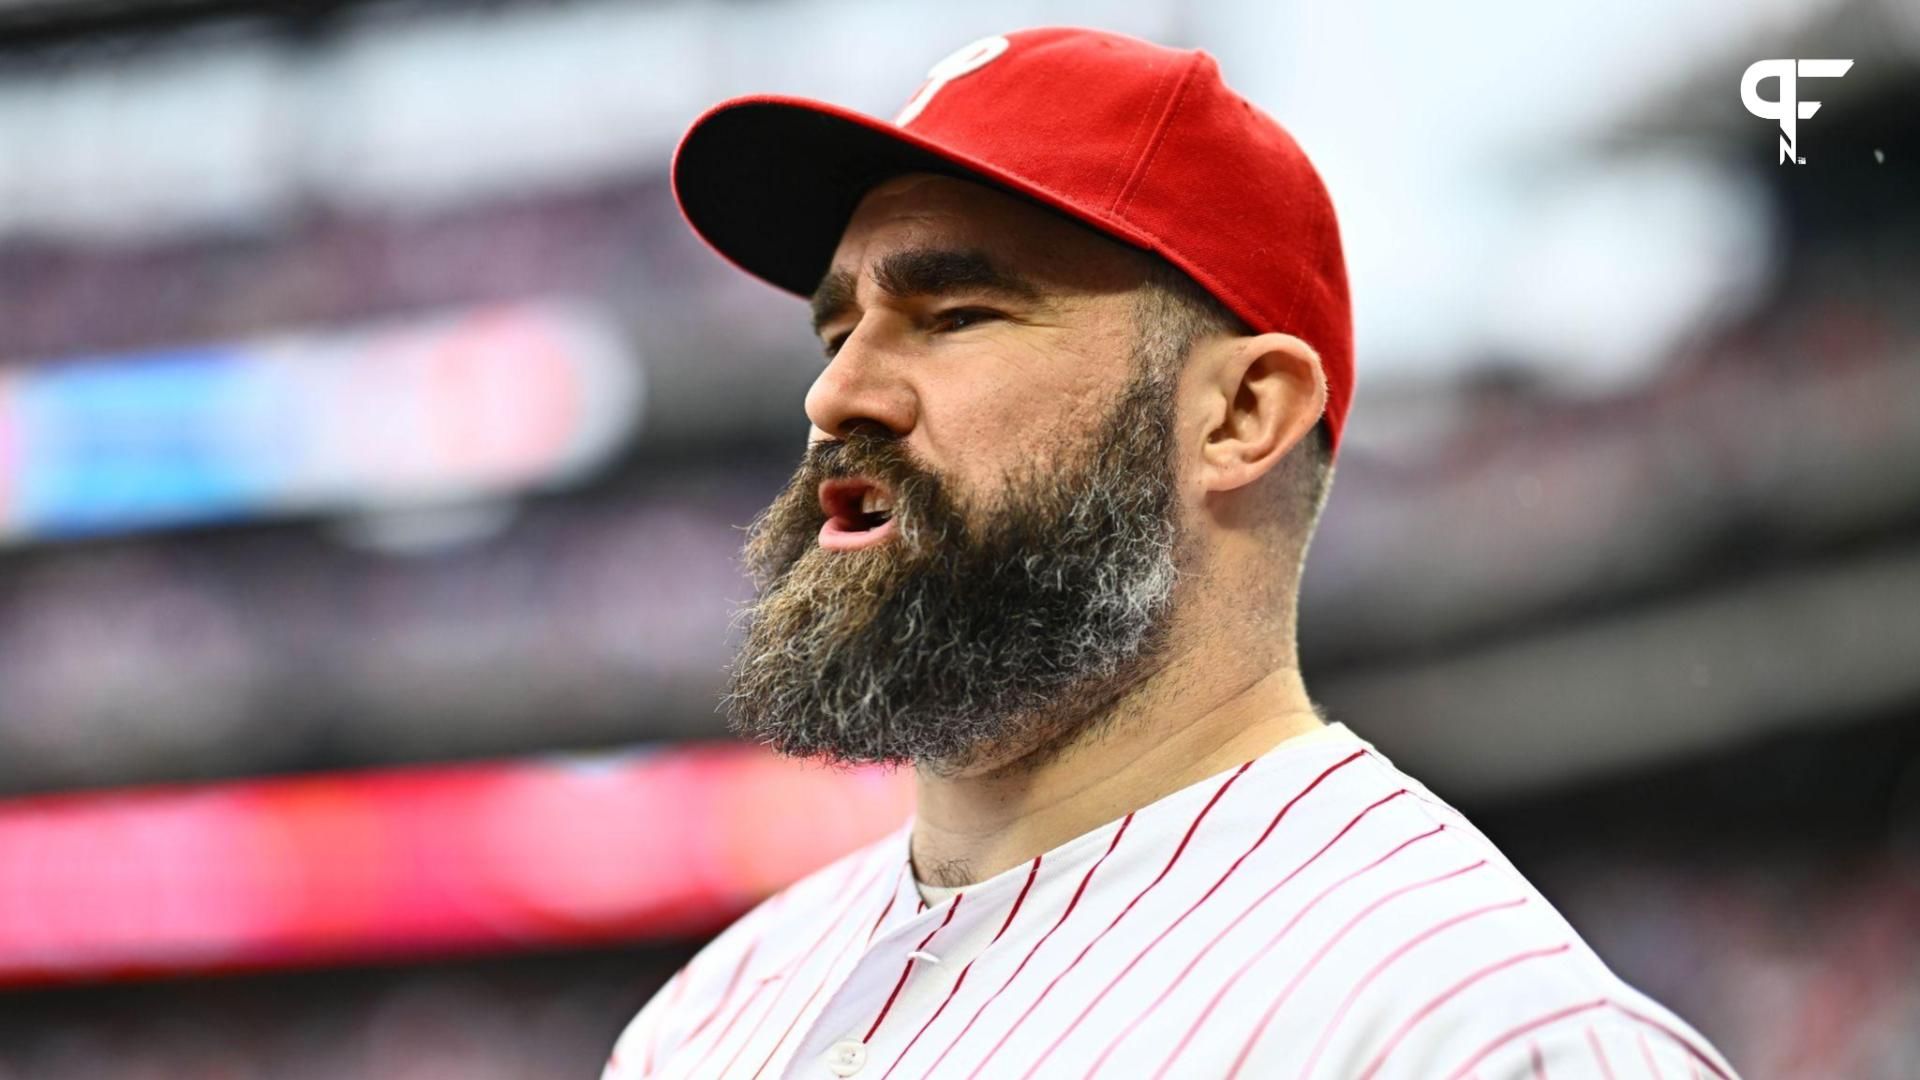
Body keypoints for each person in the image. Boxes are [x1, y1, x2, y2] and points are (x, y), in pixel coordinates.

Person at [605, 26, 1739, 1080]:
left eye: (954, 314)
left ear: (1242, 414)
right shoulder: (702, 1020)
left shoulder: (1470, 1035)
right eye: (839, 328)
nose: (834, 392)